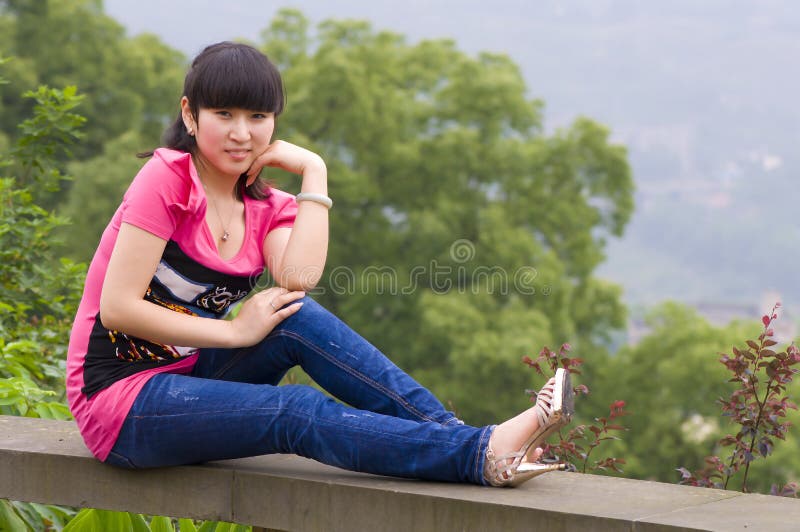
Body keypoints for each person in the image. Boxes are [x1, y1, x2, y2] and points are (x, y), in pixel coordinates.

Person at [66, 41, 574, 487]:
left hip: (189, 374)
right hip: (119, 401)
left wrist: (315, 171)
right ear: (190, 114)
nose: (242, 133)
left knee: (295, 317)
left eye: (257, 117)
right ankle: (479, 454)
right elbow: (118, 309)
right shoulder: (167, 180)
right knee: (295, 411)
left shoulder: (265, 207)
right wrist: (238, 334)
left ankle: (471, 441)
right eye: (223, 114)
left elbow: (298, 280)